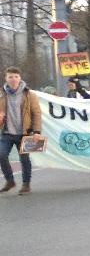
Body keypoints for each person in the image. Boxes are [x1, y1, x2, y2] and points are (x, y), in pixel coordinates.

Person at [0, 67, 43, 196]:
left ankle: (26, 185)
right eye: (10, 77)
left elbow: (36, 113)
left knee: (24, 159)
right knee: (1, 155)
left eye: (16, 77)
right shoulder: (1, 94)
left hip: (25, 133)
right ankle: (10, 181)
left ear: (20, 78)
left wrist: (37, 131)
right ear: (6, 78)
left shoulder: (29, 95)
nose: (13, 79)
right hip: (6, 133)